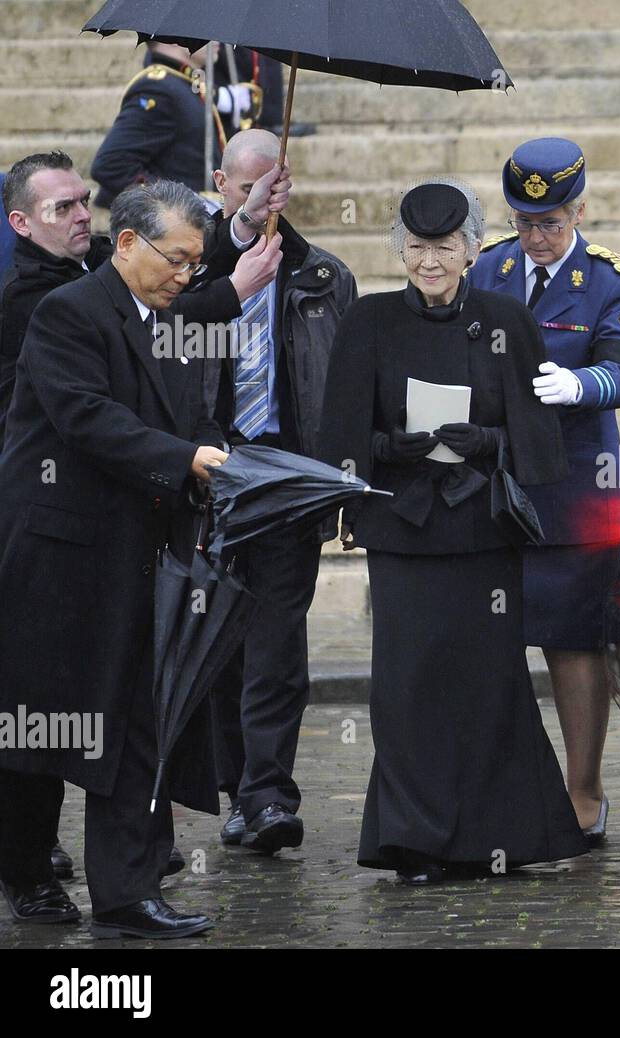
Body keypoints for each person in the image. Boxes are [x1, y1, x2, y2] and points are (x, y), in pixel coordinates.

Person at [317, 180, 588, 884]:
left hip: (481, 534)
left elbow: (541, 443)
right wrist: (386, 449)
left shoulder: (507, 318)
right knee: (407, 688)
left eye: (443, 247)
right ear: (399, 250)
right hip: (403, 534)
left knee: (487, 684)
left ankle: (498, 836)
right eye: (415, 248)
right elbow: (337, 437)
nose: (428, 261)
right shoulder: (369, 321)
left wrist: (490, 441)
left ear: (471, 250)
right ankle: (415, 842)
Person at [0, 180, 229, 938]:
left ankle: (129, 893)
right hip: (60, 561)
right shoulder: (67, 313)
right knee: (45, 727)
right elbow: (87, 419)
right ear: (126, 242)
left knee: (141, 719)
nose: (186, 275)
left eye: (197, 264)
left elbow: (192, 417)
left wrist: (226, 459)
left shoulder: (170, 319)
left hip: (143, 555)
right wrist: (186, 457)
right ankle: (27, 872)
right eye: (177, 258)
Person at [467, 137, 620, 843]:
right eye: (524, 222)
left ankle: (583, 790)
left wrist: (579, 385)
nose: (536, 238)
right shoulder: (490, 267)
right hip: (501, 483)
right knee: (494, 642)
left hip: (575, 484)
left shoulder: (609, 279)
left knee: (575, 643)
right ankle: (509, 790)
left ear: (577, 210)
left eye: (550, 223)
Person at [202, 129, 357, 855]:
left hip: (288, 480)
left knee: (275, 642)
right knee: (217, 642)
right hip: (206, 476)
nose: (262, 200)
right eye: (245, 189)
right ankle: (235, 787)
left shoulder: (324, 277)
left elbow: (347, 391)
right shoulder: (194, 264)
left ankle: (267, 797)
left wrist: (342, 483)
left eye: (273, 188)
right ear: (222, 183)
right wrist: (235, 247)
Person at [2, 149, 287, 445]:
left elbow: (175, 253)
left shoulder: (95, 254)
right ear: (21, 222)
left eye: (84, 201)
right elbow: (152, 316)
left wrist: (246, 218)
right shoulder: (28, 296)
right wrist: (235, 290)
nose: (84, 216)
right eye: (63, 208)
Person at [91, 41, 225, 209]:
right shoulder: (158, 88)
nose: (216, 40)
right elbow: (112, 165)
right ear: (174, 38)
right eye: (204, 28)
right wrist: (179, 202)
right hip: (173, 227)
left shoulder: (182, 84)